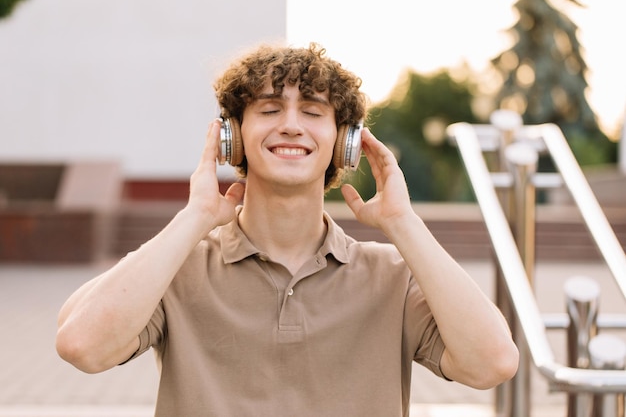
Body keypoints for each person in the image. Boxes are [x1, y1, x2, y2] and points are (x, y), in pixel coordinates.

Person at [56, 43, 518, 416]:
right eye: (270, 110)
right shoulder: (177, 265)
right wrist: (193, 219)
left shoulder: (393, 275)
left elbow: (493, 363)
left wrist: (404, 223)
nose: (292, 126)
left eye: (314, 112)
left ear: (346, 143)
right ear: (231, 136)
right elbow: (81, 346)